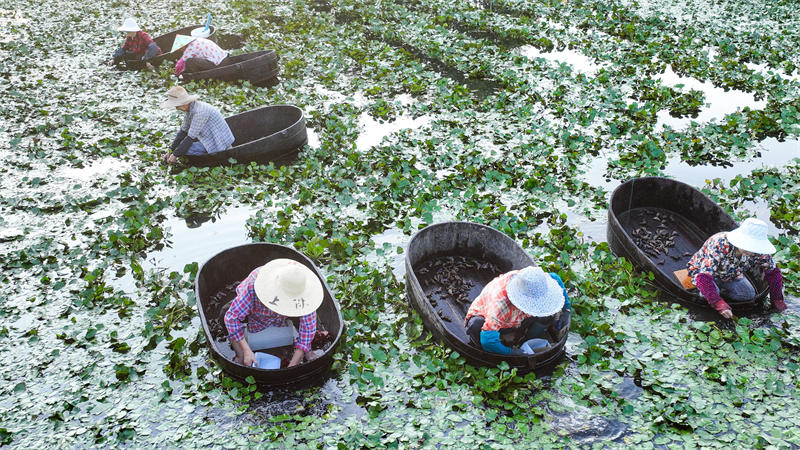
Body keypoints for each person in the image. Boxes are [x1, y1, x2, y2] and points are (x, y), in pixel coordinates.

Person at [224, 259, 323, 368]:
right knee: (225, 314)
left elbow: (308, 328)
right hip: (253, 311)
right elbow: (231, 318)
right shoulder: (254, 284)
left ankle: (307, 351)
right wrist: (246, 350)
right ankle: (240, 354)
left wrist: (291, 366)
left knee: (310, 324)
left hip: (286, 314)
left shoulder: (305, 293)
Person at [687, 218, 786, 318]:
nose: (750, 251)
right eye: (747, 245)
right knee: (708, 294)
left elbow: (773, 273)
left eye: (753, 247)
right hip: (703, 272)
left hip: (730, 274)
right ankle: (711, 292)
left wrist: (777, 300)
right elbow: (703, 277)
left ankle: (719, 290)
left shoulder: (758, 252)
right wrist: (718, 303)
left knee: (748, 295)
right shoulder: (720, 244)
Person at [465, 266, 570, 355]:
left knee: (548, 315)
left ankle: (526, 339)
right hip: (498, 321)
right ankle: (505, 342)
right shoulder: (501, 304)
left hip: (519, 320)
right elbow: (487, 340)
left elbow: (556, 279)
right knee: (476, 325)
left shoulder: (537, 282)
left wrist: (566, 310)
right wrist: (511, 352)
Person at [159, 86, 234, 164]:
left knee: (186, 150)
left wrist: (175, 155)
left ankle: (209, 158)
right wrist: (170, 151)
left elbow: (190, 137)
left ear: (184, 103)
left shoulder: (200, 112)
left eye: (177, 105)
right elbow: (183, 131)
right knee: (181, 148)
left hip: (218, 141)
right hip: (207, 136)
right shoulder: (190, 110)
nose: (176, 108)